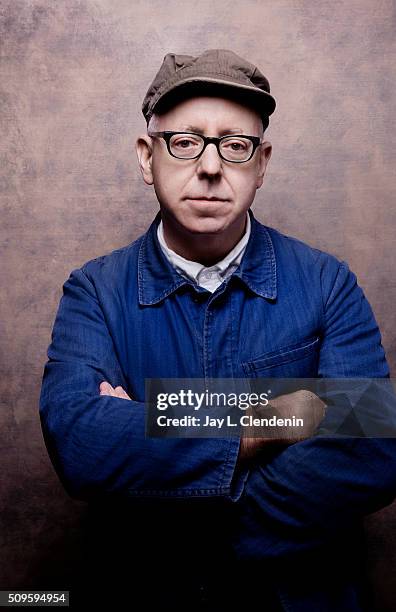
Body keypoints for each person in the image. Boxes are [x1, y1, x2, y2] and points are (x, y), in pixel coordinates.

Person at [39, 49, 396, 611]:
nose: (210, 166)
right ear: (145, 156)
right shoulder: (94, 292)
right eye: (185, 141)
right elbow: (81, 443)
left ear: (262, 163)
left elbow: (375, 447)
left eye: (235, 145)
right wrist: (292, 413)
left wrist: (155, 447)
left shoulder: (328, 284)